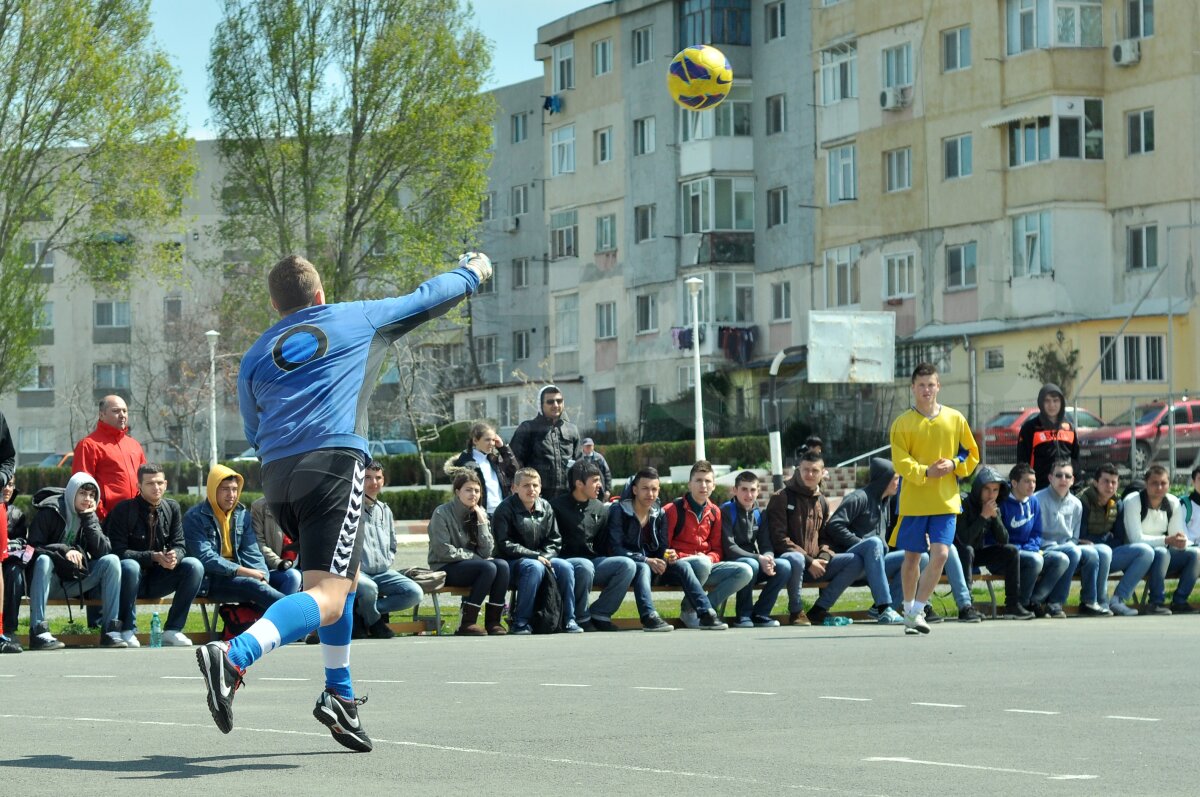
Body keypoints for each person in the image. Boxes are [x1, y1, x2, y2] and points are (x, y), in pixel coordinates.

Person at [196, 251, 490, 751]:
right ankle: (236, 655)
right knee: (330, 596)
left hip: (278, 479)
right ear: (320, 296)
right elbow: (426, 299)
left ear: (275, 304)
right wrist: (472, 272)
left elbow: (252, 428)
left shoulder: (254, 355)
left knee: (344, 584)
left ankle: (341, 696)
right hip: (333, 466)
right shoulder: (356, 317)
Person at [889, 362, 980, 635]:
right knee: (913, 558)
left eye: (931, 384)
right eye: (921, 385)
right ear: (912, 388)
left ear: (938, 386)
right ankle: (908, 609)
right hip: (915, 501)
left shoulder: (955, 418)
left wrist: (954, 464)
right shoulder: (902, 423)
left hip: (946, 500)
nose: (927, 390)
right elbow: (900, 460)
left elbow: (970, 452)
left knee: (940, 554)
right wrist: (925, 472)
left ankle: (917, 610)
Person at [26, 472, 127, 649]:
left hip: (74, 581)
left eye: (91, 495)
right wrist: (65, 550)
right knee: (44, 560)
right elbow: (31, 549)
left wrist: (90, 520)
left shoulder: (89, 516)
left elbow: (103, 551)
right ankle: (38, 631)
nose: (87, 499)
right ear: (72, 492)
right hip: (46, 582)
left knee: (111, 561)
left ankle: (110, 631)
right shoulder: (50, 512)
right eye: (82, 493)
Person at [107, 463, 203, 646]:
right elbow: (117, 551)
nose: (156, 487)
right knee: (130, 565)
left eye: (160, 482)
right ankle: (127, 629)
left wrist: (175, 556)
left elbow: (180, 544)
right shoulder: (123, 510)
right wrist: (152, 556)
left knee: (194, 566)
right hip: (129, 581)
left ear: (166, 484)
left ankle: (173, 629)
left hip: (159, 579)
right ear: (139, 486)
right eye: (150, 483)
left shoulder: (171, 508)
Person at [767, 451, 857, 626]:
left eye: (814, 471)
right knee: (795, 557)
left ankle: (819, 609)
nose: (809, 474)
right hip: (789, 564)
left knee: (855, 560)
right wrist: (809, 561)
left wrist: (823, 557)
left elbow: (826, 537)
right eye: (805, 469)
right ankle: (796, 611)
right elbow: (779, 539)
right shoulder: (782, 497)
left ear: (822, 473)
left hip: (816, 566)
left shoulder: (821, 501)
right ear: (798, 470)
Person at [661, 461, 753, 627]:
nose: (703, 485)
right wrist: (685, 557)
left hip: (705, 565)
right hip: (677, 568)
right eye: (698, 480)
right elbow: (663, 548)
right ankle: (689, 612)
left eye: (708, 481)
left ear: (714, 486)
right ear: (690, 484)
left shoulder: (715, 512)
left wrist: (709, 557)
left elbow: (718, 550)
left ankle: (702, 609)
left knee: (745, 571)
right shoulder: (672, 509)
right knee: (701, 563)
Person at [185, 466, 287, 613]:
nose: (231, 494)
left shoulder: (241, 515)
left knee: (288, 577)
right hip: (211, 580)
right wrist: (243, 571)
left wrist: (263, 576)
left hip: (241, 576)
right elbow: (206, 558)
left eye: (234, 489)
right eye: (225, 489)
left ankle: (289, 628)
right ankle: (301, 618)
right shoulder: (194, 517)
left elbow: (252, 551)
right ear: (213, 490)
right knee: (254, 586)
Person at [605, 467, 696, 631]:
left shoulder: (659, 513)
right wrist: (646, 559)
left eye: (654, 489)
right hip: (629, 569)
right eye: (645, 488)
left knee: (684, 565)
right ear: (634, 490)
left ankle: (706, 612)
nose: (650, 494)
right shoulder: (618, 510)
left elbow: (662, 548)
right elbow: (616, 548)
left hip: (654, 568)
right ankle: (649, 617)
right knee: (643, 567)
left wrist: (668, 556)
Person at [492, 468, 579, 634]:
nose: (531, 489)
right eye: (525, 485)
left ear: (540, 488)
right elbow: (504, 544)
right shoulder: (504, 509)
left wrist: (544, 557)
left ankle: (569, 619)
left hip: (541, 558)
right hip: (510, 563)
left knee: (565, 567)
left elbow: (555, 539)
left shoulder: (546, 507)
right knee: (534, 567)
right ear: (514, 488)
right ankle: (521, 622)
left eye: (535, 485)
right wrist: (535, 556)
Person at [551, 460, 635, 631]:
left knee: (627, 565)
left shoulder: (600, 508)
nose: (600, 485)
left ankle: (600, 613)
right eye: (595, 480)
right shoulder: (556, 507)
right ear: (579, 484)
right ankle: (581, 617)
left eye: (600, 480)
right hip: (564, 564)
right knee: (585, 565)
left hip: (592, 563)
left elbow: (602, 544)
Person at [820, 459, 907, 625]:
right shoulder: (858, 498)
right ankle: (884, 606)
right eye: (895, 478)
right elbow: (834, 525)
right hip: (854, 562)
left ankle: (885, 610)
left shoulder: (885, 503)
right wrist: (862, 543)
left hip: (876, 563)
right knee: (874, 543)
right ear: (884, 479)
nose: (898, 483)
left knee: (917, 557)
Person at [427, 471, 510, 635]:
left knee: (502, 566)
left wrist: (482, 523)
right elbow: (443, 550)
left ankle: (493, 622)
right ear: (457, 492)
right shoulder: (441, 513)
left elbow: (486, 551)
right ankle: (467, 622)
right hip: (445, 567)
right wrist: (474, 557)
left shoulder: (479, 512)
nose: (473, 494)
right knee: (488, 568)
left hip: (473, 566)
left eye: (477, 491)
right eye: (468, 490)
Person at [354, 461, 422, 639]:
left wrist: (388, 559)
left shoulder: (385, 510)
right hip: (359, 573)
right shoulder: (350, 509)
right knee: (368, 588)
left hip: (383, 571)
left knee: (415, 593)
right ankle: (376, 623)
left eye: (378, 478)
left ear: (383, 481)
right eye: (367, 477)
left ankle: (363, 612)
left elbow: (393, 542)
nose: (373, 482)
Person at [955, 467, 1034, 619]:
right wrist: (983, 517)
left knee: (1011, 551)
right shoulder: (964, 503)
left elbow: (1004, 540)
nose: (991, 494)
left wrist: (994, 517)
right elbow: (964, 539)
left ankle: (1012, 605)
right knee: (968, 550)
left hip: (977, 553)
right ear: (978, 488)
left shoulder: (993, 506)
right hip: (958, 556)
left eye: (995, 490)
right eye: (986, 489)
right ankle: (967, 606)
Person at [1120, 464, 1200, 614]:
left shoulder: (1173, 502)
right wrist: (1166, 540)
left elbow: (1176, 537)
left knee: (1195, 554)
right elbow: (1135, 539)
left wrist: (1182, 542)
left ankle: (1179, 602)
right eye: (1154, 483)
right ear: (1146, 484)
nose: (1159, 487)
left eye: (1163, 483)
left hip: (1164, 558)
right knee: (1162, 552)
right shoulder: (1133, 501)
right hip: (1137, 559)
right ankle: (1155, 602)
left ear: (1169, 484)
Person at [1078, 463, 1153, 616]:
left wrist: (1103, 541)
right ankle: (1100, 601)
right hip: (1087, 557)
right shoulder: (1083, 501)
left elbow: (1119, 538)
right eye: (1105, 481)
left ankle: (1117, 600)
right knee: (1104, 551)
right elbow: (1081, 536)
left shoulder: (1117, 503)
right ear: (1095, 482)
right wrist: (1104, 541)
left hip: (1109, 553)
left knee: (1145, 552)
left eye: (1114, 482)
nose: (1110, 486)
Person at [720, 470, 790, 628]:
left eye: (752, 490)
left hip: (755, 561)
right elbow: (730, 547)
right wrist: (759, 558)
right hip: (732, 564)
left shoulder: (760, 513)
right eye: (744, 489)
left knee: (784, 566)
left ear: (758, 491)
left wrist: (768, 557)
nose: (748, 494)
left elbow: (766, 545)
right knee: (750, 565)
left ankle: (760, 613)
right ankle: (743, 615)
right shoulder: (726, 510)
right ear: (735, 490)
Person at [999, 463, 1068, 615]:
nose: (1032, 485)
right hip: (1006, 556)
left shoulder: (1033, 501)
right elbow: (996, 539)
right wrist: (1023, 551)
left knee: (1062, 559)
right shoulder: (1002, 503)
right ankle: (1019, 604)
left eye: (1034, 482)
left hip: (1028, 551)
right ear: (1014, 483)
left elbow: (1036, 533)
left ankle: (1034, 601)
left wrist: (1031, 548)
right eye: (1027, 481)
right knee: (1035, 560)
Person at [72, 395, 147, 520]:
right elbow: (82, 486)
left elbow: (145, 481)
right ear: (102, 415)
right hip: (106, 521)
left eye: (125, 411)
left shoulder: (134, 445)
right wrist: (103, 516)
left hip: (137, 520)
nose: (122, 415)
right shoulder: (89, 445)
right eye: (116, 411)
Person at [1031, 460, 1086, 618]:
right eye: (1059, 475)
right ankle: (1055, 602)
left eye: (1067, 476)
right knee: (1073, 553)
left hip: (1068, 547)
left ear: (1073, 480)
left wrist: (1071, 545)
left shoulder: (1077, 504)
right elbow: (1034, 535)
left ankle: (1092, 601)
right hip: (1043, 548)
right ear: (1050, 478)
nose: (1063, 479)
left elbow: (1074, 537)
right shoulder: (1037, 500)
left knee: (1098, 554)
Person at [509, 385, 581, 499]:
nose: (556, 405)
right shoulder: (527, 428)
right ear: (541, 405)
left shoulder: (572, 429)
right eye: (550, 402)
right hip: (536, 497)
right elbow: (514, 463)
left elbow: (579, 464)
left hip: (567, 498)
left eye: (559, 401)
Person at [444, 422, 518, 517]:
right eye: (487, 440)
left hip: (502, 512)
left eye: (493, 440)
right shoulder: (465, 463)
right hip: (479, 514)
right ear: (475, 440)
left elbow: (515, 472)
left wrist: (503, 448)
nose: (491, 443)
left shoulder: (494, 459)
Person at [1015, 383, 1079, 491]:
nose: (1052, 405)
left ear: (1061, 403)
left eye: (1055, 400)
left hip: (1065, 488)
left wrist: (1075, 484)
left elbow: (1076, 459)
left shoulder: (1069, 427)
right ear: (1041, 403)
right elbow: (1022, 461)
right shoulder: (1030, 428)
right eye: (1047, 401)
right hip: (1039, 489)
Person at [250, 498, 303, 598]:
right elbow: (258, 543)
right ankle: (282, 613)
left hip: (300, 567)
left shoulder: (303, 506)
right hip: (271, 569)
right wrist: (278, 563)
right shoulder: (259, 507)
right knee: (293, 576)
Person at [1, 481, 28, 651]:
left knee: (14, 573)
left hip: (8, 563)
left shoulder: (17, 514)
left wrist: (14, 544)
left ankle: (9, 630)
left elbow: (27, 545)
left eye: (10, 484)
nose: (7, 489)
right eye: (3, 484)